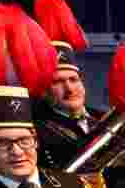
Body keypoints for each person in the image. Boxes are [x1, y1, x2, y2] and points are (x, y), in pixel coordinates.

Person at [33, 41, 106, 170]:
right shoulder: (37, 129)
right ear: (44, 92)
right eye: (58, 82)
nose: (70, 89)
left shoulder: (105, 118)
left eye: (73, 80)